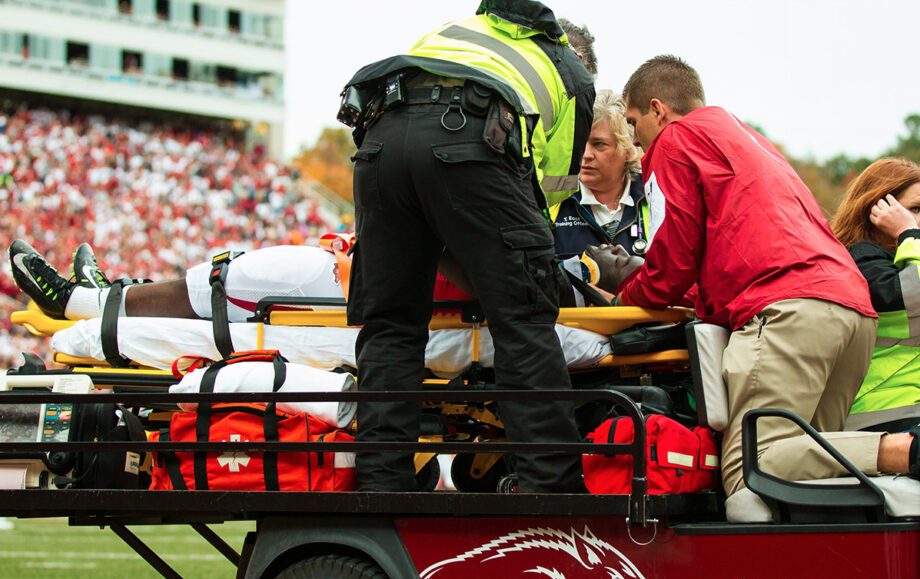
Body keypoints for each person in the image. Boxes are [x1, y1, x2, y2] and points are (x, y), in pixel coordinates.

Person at [601, 54, 917, 496]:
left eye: (633, 125)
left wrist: (622, 298)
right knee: (812, 479)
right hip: (850, 310)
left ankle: (906, 450)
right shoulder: (751, 141)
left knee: (754, 470)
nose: (636, 143)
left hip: (788, 308)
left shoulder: (675, 140)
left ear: (658, 110)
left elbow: (670, 263)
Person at [340, 1, 595, 492]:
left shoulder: (457, 30)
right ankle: (554, 487)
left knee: (390, 323)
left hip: (380, 146)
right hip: (471, 142)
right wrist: (529, 268)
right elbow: (552, 186)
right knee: (523, 322)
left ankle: (381, 483)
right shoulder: (569, 72)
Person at [8, 240, 472, 323]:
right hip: (368, 275)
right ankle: (106, 297)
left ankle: (77, 303)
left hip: (368, 285)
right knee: (235, 272)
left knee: (231, 278)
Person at [831, 158, 920, 433]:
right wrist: (909, 233)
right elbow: (912, 294)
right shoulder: (861, 261)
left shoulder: (906, 258)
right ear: (877, 210)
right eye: (915, 209)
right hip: (882, 414)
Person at [552, 90, 649, 260]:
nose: (586, 154)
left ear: (627, 148)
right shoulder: (554, 199)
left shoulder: (652, 196)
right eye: (582, 142)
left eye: (599, 144)